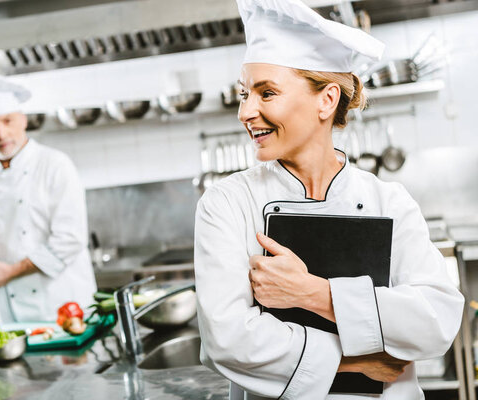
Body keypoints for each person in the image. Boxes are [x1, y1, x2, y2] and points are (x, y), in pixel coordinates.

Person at [194, 1, 464, 399]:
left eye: (266, 93)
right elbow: (228, 340)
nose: (245, 111)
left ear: (327, 100)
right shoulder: (226, 203)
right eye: (243, 93)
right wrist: (355, 360)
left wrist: (313, 293)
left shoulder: (388, 200)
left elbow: (436, 321)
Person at [0, 74, 97, 323]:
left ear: (23, 120)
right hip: (14, 316)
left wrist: (11, 272)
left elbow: (70, 240)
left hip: (65, 308)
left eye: (7, 121)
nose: (1, 133)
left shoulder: (55, 165)